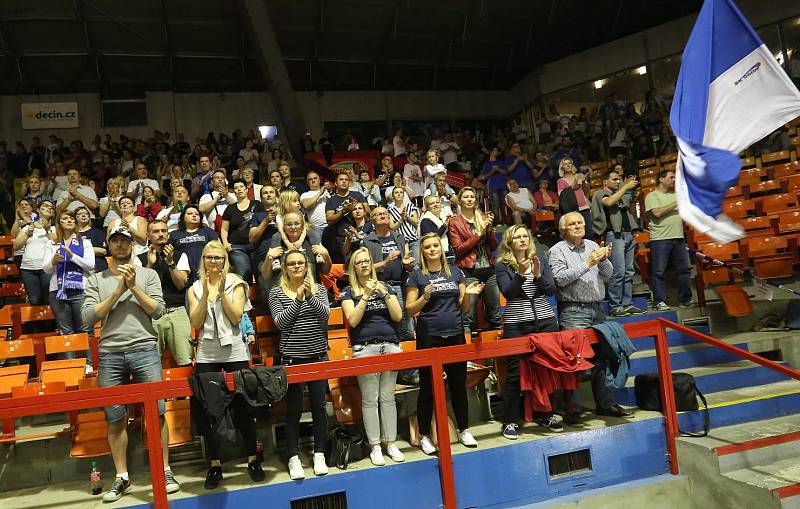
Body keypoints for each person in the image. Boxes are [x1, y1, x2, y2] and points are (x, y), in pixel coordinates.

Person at [81, 225, 180, 502]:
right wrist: (116, 292)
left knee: (157, 413)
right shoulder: (96, 279)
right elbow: (89, 317)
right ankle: (122, 477)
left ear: (132, 246)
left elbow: (158, 310)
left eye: (125, 241)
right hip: (110, 352)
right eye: (115, 241)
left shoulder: (148, 275)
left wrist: (133, 286)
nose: (120, 245)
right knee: (114, 418)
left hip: (145, 348)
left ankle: (165, 470)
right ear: (109, 246)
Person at [188, 240, 263, 488]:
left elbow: (235, 317)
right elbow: (197, 323)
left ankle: (253, 458)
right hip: (207, 353)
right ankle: (215, 464)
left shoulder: (237, 283)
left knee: (243, 407)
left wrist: (220, 293)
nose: (214, 262)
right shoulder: (194, 288)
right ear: (203, 260)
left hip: (235, 351)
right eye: (209, 257)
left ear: (225, 260)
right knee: (211, 411)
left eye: (218, 258)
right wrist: (206, 296)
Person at [405, 232, 484, 455]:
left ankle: (464, 428)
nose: (432, 249)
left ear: (441, 248)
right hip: (429, 337)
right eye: (428, 247)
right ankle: (424, 436)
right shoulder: (416, 277)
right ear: (423, 251)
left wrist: (469, 294)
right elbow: (410, 309)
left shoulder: (455, 272)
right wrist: (425, 298)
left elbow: (464, 306)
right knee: (428, 389)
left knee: (458, 385)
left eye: (435, 246)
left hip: (455, 334)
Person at [549, 212, 632, 420]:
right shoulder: (556, 251)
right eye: (573, 224)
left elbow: (607, 275)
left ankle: (606, 404)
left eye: (580, 223)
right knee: (574, 361)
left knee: (604, 358)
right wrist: (587, 263)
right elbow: (559, 279)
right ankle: (573, 409)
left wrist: (603, 260)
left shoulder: (593, 245)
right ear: (563, 230)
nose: (578, 226)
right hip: (573, 311)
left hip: (597, 310)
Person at [268, 250, 331, 480]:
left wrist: (309, 296)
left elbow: (324, 316)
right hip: (291, 358)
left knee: (319, 407)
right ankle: (293, 456)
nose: (296, 267)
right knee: (293, 410)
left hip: (318, 356)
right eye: (291, 264)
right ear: (285, 267)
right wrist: (298, 300)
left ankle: (319, 454)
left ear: (307, 266)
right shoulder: (276, 292)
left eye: (300, 263)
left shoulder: (319, 289)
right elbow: (281, 322)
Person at [339, 247, 405, 465]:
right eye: (359, 262)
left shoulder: (385, 286)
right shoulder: (349, 292)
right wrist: (366, 295)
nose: (365, 264)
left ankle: (391, 443)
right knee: (370, 399)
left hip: (390, 346)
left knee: (387, 397)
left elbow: (398, 315)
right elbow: (353, 320)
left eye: (367, 260)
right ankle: (375, 445)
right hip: (364, 348)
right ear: (354, 268)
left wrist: (384, 293)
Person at [495, 224, 561, 438]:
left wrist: (539, 275)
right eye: (517, 237)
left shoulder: (539, 259)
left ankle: (546, 413)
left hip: (545, 320)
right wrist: (521, 275)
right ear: (509, 242)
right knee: (514, 374)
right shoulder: (503, 265)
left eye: (525, 236)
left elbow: (551, 289)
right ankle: (510, 421)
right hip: (516, 323)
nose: (522, 240)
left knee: (545, 370)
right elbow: (508, 292)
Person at [42, 210, 95, 370]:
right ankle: (72, 366)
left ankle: (89, 364)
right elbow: (46, 270)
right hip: (58, 291)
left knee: (85, 330)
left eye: (72, 218)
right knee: (66, 332)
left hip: (80, 291)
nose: (70, 220)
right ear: (59, 223)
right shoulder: (51, 244)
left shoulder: (84, 242)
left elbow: (91, 266)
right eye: (65, 218)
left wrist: (72, 256)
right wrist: (53, 261)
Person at [591, 170, 645, 316]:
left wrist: (630, 190)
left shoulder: (620, 194)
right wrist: (625, 187)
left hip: (628, 234)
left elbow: (627, 203)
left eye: (619, 179)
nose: (618, 181)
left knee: (629, 272)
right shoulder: (600, 193)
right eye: (614, 179)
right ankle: (616, 306)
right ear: (605, 182)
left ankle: (627, 304)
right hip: (614, 236)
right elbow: (609, 202)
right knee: (618, 272)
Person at [448, 187, 501, 335]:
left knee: (495, 315)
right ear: (460, 201)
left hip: (489, 270)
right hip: (469, 271)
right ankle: (467, 356)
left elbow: (493, 245)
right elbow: (459, 249)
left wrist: (489, 229)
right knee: (467, 316)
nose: (470, 199)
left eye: (472, 196)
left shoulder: (483, 218)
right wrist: (479, 233)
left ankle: (497, 354)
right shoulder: (454, 222)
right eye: (466, 197)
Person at [141, 219, 193, 367]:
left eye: (164, 231)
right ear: (148, 235)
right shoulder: (139, 259)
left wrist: (170, 263)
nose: (160, 234)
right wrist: (150, 265)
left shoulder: (179, 256)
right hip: (151, 315)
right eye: (156, 231)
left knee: (185, 360)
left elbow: (181, 284)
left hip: (177, 311)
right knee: (151, 363)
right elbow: (140, 289)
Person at [363, 207, 415, 339]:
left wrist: (408, 264)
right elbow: (365, 269)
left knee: (407, 330)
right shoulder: (368, 241)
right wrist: (385, 263)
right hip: (380, 288)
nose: (382, 215)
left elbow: (408, 265)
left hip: (400, 286)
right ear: (372, 220)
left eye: (385, 213)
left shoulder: (399, 238)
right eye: (378, 214)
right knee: (388, 329)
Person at [645, 170, 693, 310]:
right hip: (660, 239)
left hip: (678, 237)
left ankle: (685, 300)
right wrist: (677, 202)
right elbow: (657, 213)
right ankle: (659, 301)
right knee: (658, 271)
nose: (674, 179)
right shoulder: (652, 196)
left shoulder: (676, 195)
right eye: (671, 177)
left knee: (684, 270)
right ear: (661, 179)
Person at [14, 200, 56, 305]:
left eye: (51, 207)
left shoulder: (55, 228)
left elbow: (57, 244)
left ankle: (49, 322)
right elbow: (16, 246)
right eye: (45, 206)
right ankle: (36, 322)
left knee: (48, 300)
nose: (49, 208)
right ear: (38, 210)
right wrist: (28, 233)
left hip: (47, 269)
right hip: (28, 269)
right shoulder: (28, 227)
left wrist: (48, 230)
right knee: (34, 300)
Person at [221, 178, 263, 283]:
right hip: (237, 247)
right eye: (236, 188)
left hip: (255, 245)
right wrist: (225, 243)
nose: (239, 189)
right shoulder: (230, 208)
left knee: (260, 275)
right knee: (244, 275)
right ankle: (243, 298)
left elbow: (263, 224)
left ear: (246, 189)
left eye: (241, 187)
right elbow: (224, 228)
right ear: (233, 191)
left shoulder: (257, 204)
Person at [324, 171, 367, 263]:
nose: (344, 181)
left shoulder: (357, 195)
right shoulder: (332, 200)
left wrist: (356, 207)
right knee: (347, 267)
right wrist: (344, 210)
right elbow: (329, 220)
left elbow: (368, 212)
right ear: (336, 183)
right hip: (341, 238)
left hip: (361, 234)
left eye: (346, 180)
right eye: (341, 179)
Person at [169, 204, 220, 283]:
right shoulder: (174, 234)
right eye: (190, 214)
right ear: (183, 217)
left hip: (205, 272)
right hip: (184, 273)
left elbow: (218, 247)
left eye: (197, 214)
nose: (194, 216)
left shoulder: (207, 231)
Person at [387, 185, 420, 263]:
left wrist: (407, 216)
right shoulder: (389, 210)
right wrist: (401, 219)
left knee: (416, 265)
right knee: (403, 265)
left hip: (414, 240)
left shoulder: (410, 206)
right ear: (392, 195)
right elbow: (392, 227)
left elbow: (416, 222)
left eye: (401, 192)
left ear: (404, 195)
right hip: (400, 242)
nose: (399, 194)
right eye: (396, 192)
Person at [556, 158, 590, 226]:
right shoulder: (561, 181)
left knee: (589, 233)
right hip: (573, 210)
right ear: (562, 168)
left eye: (569, 163)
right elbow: (562, 195)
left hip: (584, 207)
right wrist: (575, 181)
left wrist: (583, 181)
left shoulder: (578, 176)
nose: (568, 165)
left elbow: (585, 192)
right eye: (565, 164)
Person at [300, 171, 331, 245]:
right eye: (310, 179)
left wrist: (331, 190)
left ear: (319, 180)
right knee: (319, 253)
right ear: (308, 183)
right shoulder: (305, 194)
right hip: (316, 229)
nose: (313, 180)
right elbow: (306, 205)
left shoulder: (328, 193)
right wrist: (320, 193)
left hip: (330, 227)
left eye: (315, 178)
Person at [480, 146, 508, 225]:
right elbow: (485, 177)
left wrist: (498, 169)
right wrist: (493, 170)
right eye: (494, 150)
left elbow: (506, 172)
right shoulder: (486, 164)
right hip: (493, 186)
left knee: (504, 204)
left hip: (502, 185)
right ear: (490, 152)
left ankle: (505, 222)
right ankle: (496, 223)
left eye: (497, 150)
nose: (495, 152)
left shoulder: (500, 162)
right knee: (495, 204)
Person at [75, 206, 107, 272]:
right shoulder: (72, 233)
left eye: (86, 214)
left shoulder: (97, 232)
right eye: (80, 214)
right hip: (77, 268)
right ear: (75, 218)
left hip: (97, 267)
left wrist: (79, 249)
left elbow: (103, 251)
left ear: (89, 217)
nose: (83, 215)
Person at [10, 198, 37, 267]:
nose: (23, 206)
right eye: (21, 205)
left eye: (26, 204)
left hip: (33, 252)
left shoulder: (36, 217)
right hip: (20, 253)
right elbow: (13, 234)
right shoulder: (19, 220)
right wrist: (17, 219)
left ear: (32, 207)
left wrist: (24, 216)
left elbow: (33, 227)